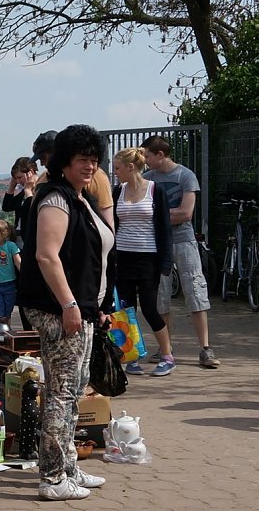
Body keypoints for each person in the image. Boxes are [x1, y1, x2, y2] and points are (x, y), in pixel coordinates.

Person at [17, 124, 115, 501]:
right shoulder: (56, 198)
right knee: (61, 392)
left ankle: (69, 465)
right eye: (82, 159)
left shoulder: (78, 197)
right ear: (64, 162)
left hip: (81, 309)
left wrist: (97, 307)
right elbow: (46, 256)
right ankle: (53, 476)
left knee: (74, 390)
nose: (90, 166)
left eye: (94, 160)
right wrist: (69, 304)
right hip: (58, 309)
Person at [141, 135, 220, 368]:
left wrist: (157, 216)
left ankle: (205, 348)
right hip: (158, 244)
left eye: (147, 156)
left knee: (195, 290)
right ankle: (166, 348)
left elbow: (186, 213)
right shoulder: (147, 179)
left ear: (160, 155)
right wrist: (165, 216)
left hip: (184, 241)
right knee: (161, 295)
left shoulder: (185, 176)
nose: (144, 161)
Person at [112, 148, 175, 376]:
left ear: (130, 167)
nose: (115, 172)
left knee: (149, 308)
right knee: (126, 309)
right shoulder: (118, 191)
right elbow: (112, 224)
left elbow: (165, 228)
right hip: (123, 257)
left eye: (117, 168)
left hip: (148, 258)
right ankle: (132, 356)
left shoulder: (155, 190)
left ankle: (167, 356)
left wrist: (165, 262)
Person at [29, 129, 115, 227]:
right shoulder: (42, 178)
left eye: (43, 158)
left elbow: (107, 219)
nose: (41, 164)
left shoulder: (95, 176)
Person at [0, 219, 21, 332]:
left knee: (7, 314)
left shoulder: (11, 246)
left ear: (4, 233)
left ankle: (7, 334)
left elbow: (18, 262)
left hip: (9, 284)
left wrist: (26, 276)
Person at [1, 157, 38, 243]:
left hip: (32, 238)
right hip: (20, 237)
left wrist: (28, 191)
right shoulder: (23, 192)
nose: (18, 181)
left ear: (30, 173)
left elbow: (32, 212)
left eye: (20, 177)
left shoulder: (40, 189)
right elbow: (7, 207)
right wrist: (11, 187)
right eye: (15, 178)